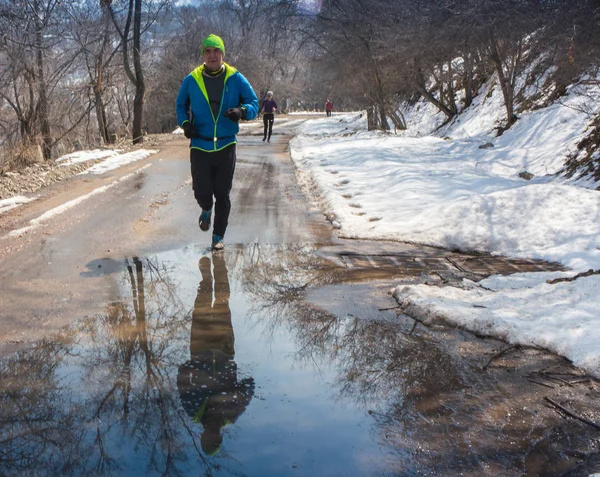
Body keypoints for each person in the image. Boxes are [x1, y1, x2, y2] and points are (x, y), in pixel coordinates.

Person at [176, 34, 259, 251]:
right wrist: (185, 124)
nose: (212, 55)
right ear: (203, 54)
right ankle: (205, 208)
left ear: (223, 54)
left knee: (223, 193)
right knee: (202, 192)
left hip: (225, 145)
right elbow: (180, 105)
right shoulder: (191, 80)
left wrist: (242, 111)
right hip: (200, 144)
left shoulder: (236, 77)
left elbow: (254, 103)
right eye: (208, 51)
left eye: (216, 51)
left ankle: (218, 236)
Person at [177, 254, 255, 456]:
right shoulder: (231, 414)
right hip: (223, 349)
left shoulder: (194, 412)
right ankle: (220, 271)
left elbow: (182, 382)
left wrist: (188, 367)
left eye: (207, 439)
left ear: (203, 436)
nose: (211, 436)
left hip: (199, 348)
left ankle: (206, 280)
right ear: (220, 437)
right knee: (222, 302)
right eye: (215, 439)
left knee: (201, 308)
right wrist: (234, 391)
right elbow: (250, 386)